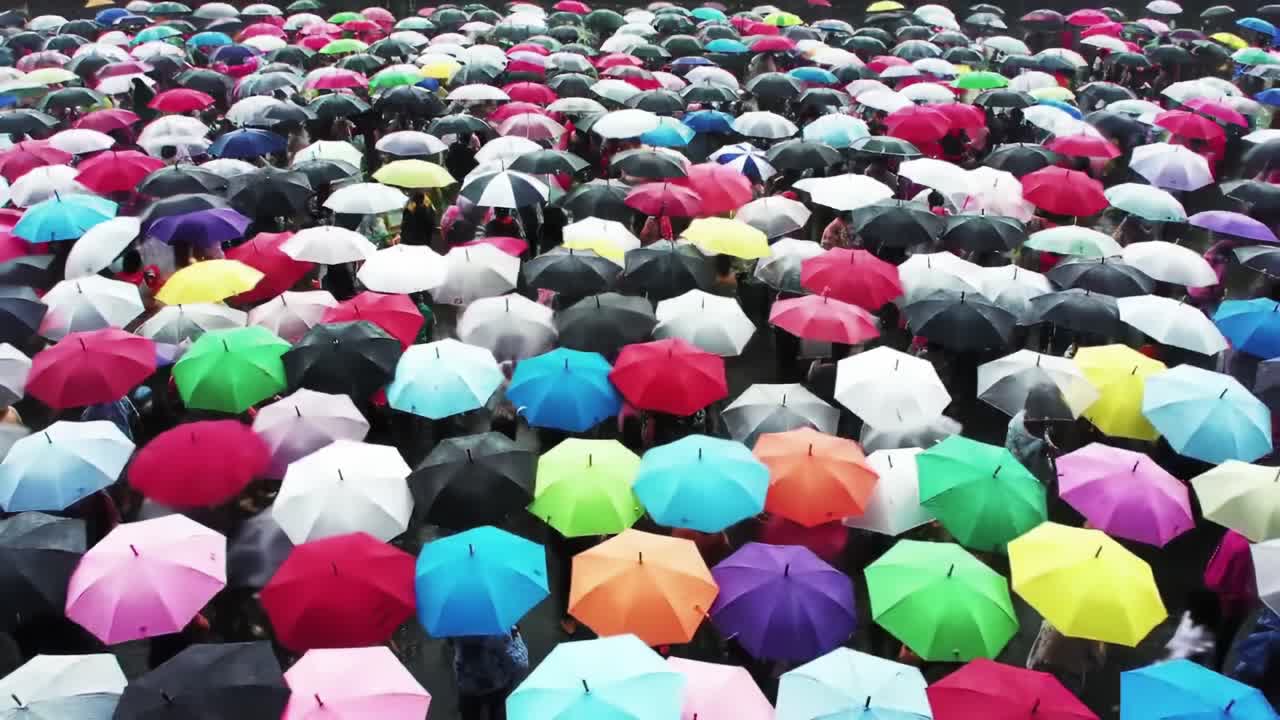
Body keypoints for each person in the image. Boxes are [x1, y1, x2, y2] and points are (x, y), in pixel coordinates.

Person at [453, 628, 530, 720]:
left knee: (470, 714)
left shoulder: (458, 630)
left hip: (467, 686)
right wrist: (516, 638)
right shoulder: (496, 632)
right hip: (495, 686)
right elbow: (515, 664)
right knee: (497, 713)